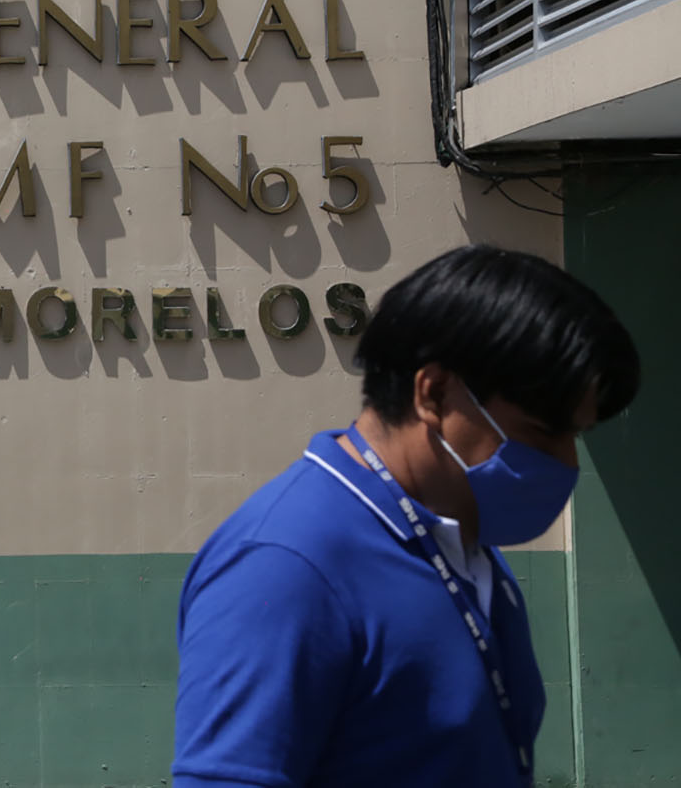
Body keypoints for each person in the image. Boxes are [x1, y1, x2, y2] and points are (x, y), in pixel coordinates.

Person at [171, 244, 639, 787]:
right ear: (434, 393)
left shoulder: (462, 546)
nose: (566, 462)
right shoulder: (285, 566)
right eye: (544, 432)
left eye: (577, 436)